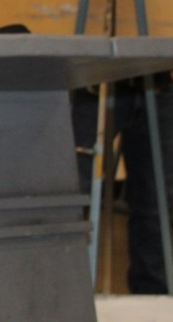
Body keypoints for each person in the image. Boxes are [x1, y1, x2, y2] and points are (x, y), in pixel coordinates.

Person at [71, 73, 173, 293]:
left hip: (160, 80)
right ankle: (58, 300)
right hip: (94, 79)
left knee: (156, 209)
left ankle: (153, 306)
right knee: (70, 200)